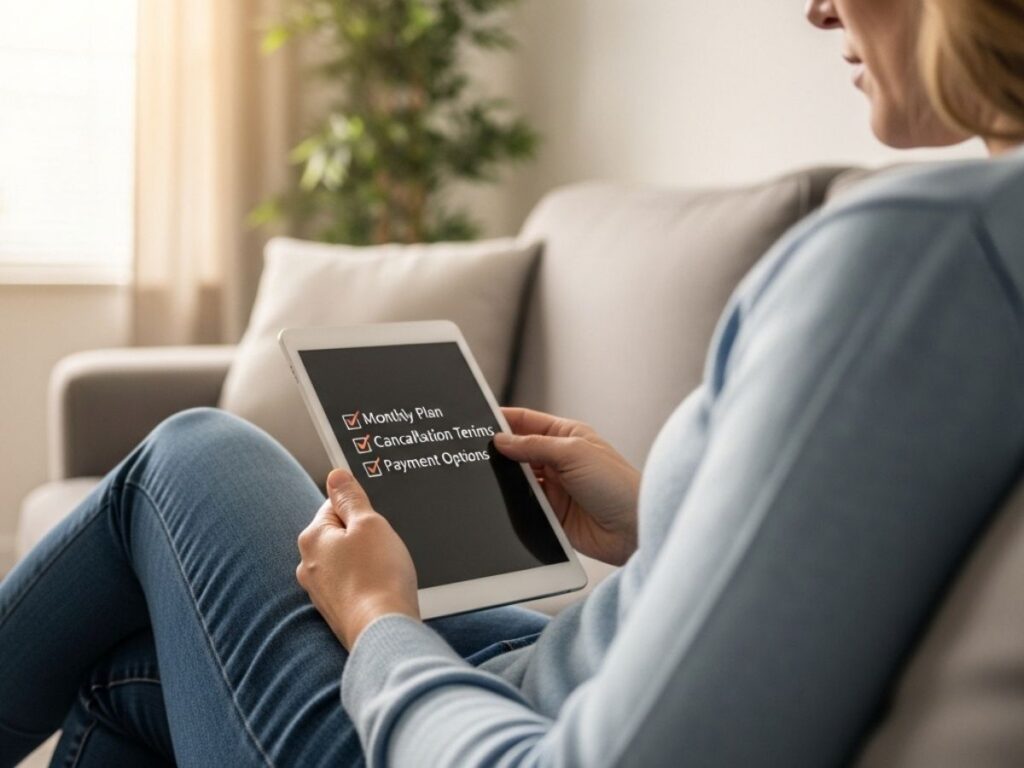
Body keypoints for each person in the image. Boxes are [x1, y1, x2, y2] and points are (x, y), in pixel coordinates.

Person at [4, 0, 1024, 764]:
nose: (815, 7)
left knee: (192, 454)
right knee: (127, 678)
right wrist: (659, 522)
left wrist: (383, 630)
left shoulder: (923, 252)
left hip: (490, 732)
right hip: (546, 680)